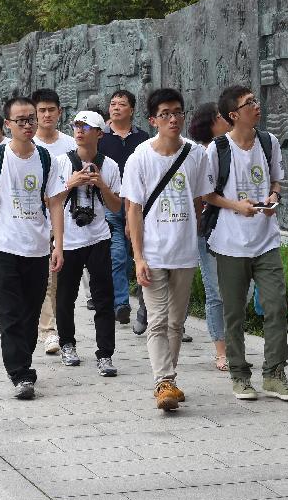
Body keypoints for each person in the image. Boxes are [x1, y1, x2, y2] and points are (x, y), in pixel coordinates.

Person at [204, 85, 288, 402]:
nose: (257, 106)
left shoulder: (268, 141)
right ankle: (239, 375)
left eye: (256, 101)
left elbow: (276, 180)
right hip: (230, 243)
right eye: (250, 103)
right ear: (234, 115)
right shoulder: (217, 149)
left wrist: (273, 196)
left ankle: (274, 374)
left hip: (266, 240)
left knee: (275, 307)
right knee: (234, 313)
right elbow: (207, 195)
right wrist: (237, 206)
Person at [122, 88, 211, 411]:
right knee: (158, 320)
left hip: (184, 251)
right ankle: (164, 379)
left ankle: (168, 381)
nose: (173, 119)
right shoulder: (140, 158)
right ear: (153, 120)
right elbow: (132, 209)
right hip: (154, 252)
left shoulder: (196, 154)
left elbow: (200, 200)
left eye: (177, 112)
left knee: (176, 322)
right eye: (165, 114)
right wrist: (139, 256)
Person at [0, 96, 66, 400]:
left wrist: (58, 245)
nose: (28, 125)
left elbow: (54, 202)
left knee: (30, 312)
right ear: (8, 124)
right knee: (10, 313)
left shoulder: (45, 159)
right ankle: (20, 373)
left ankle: (22, 363)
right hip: (3, 247)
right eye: (21, 120)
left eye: (31, 119)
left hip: (37, 248)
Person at [54, 110, 122, 376]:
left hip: (99, 237)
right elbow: (52, 201)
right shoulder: (61, 162)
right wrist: (71, 183)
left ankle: (105, 354)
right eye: (76, 126)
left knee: (104, 298)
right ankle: (67, 344)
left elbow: (117, 206)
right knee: (65, 297)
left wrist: (101, 185)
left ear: (99, 134)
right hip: (69, 239)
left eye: (86, 127)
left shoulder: (110, 165)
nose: (79, 131)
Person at [98, 89, 150, 330]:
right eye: (112, 103)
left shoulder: (143, 139)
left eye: (121, 104)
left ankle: (146, 305)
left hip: (140, 207)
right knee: (118, 255)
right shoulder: (101, 138)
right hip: (112, 204)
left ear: (132, 109)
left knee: (143, 257)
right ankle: (120, 304)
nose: (115, 107)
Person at [187, 102, 232, 371]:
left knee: (241, 290)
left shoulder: (230, 149)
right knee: (215, 291)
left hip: (235, 228)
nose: (226, 120)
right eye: (220, 117)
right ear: (212, 122)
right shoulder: (197, 155)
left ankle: (231, 340)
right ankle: (221, 350)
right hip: (208, 229)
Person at [31, 88, 76, 355]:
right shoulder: (29, 146)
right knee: (46, 280)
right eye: (41, 111)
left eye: (51, 110)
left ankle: (58, 326)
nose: (47, 115)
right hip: (37, 223)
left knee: (62, 282)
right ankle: (48, 331)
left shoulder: (71, 145)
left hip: (68, 223)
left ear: (59, 112)